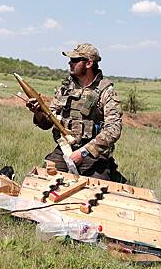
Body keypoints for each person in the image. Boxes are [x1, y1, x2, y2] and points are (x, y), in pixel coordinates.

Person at [26, 43, 125, 182]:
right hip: (65, 149)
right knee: (42, 181)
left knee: (95, 190)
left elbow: (113, 130)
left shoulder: (106, 91)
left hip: (93, 155)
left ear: (89, 63)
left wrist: (83, 152)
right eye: (70, 60)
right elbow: (49, 122)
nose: (69, 63)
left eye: (74, 60)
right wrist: (37, 112)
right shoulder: (65, 88)